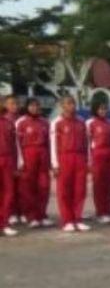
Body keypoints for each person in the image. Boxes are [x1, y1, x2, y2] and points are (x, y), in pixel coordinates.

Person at [50, 96, 90, 233]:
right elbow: (53, 144)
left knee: (80, 190)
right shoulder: (57, 122)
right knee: (64, 191)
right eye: (69, 103)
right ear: (62, 106)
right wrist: (55, 164)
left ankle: (77, 219)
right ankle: (67, 220)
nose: (72, 105)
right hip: (64, 157)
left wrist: (88, 161)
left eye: (73, 103)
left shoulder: (81, 121)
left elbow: (87, 144)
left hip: (79, 157)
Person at [16, 98, 52, 228]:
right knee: (28, 188)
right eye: (32, 106)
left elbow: (49, 143)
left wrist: (51, 161)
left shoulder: (45, 122)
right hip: (28, 154)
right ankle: (31, 216)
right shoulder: (21, 122)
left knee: (44, 186)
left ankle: (42, 214)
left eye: (37, 106)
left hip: (43, 154)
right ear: (27, 107)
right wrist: (19, 161)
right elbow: (17, 144)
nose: (35, 108)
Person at [87, 100, 110, 224]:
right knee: (99, 185)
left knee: (109, 185)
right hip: (97, 155)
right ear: (95, 110)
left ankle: (108, 212)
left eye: (105, 109)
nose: (103, 111)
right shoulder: (90, 123)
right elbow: (87, 143)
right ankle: (100, 213)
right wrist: (89, 161)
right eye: (101, 109)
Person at [0, 96, 18, 236]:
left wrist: (17, 163)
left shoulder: (8, 123)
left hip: (7, 159)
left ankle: (4, 223)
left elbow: (14, 145)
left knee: (8, 192)